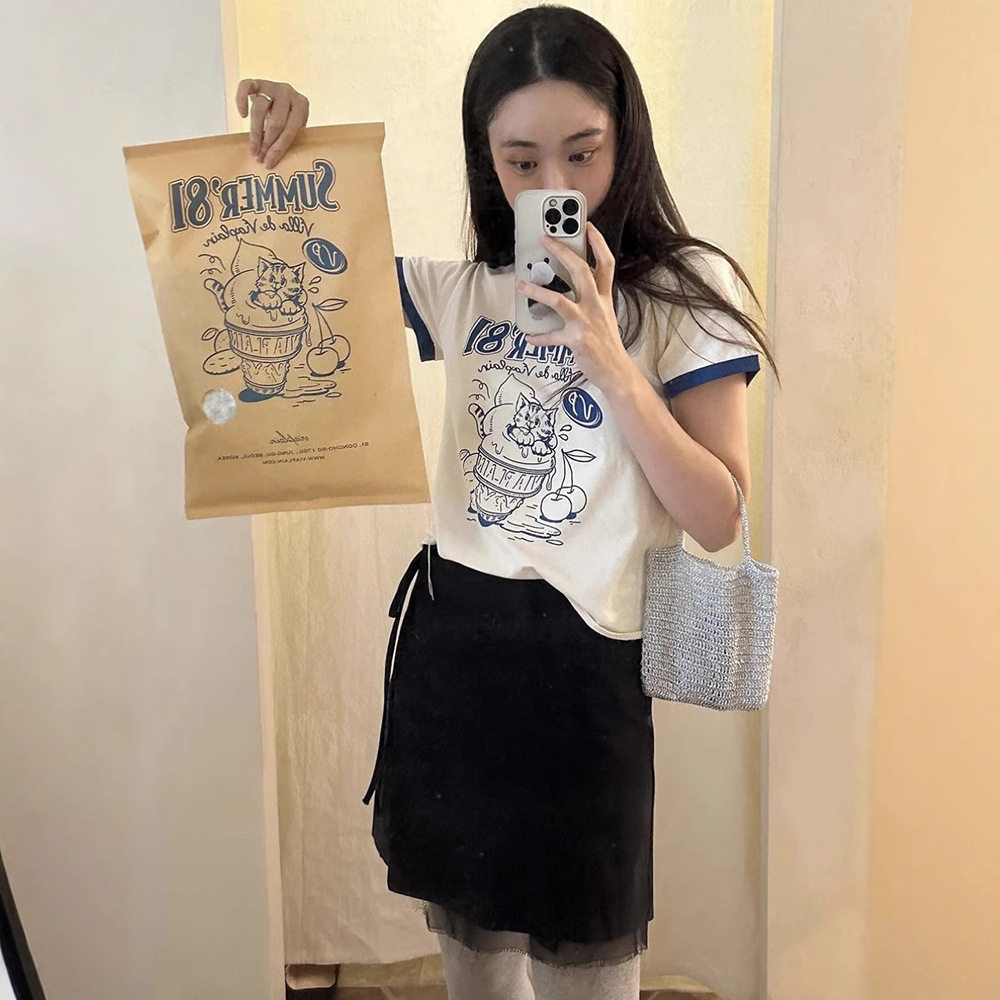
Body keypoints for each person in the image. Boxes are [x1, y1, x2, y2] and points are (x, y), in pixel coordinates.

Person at [236, 7, 778, 999]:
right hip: (455, 658)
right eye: (521, 161)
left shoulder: (682, 295)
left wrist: (610, 359)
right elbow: (285, 278)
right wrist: (292, 153)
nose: (553, 186)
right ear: (487, 162)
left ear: (625, 139)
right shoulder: (463, 290)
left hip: (586, 675)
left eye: (582, 153)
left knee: (589, 975)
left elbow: (717, 516)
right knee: (476, 974)